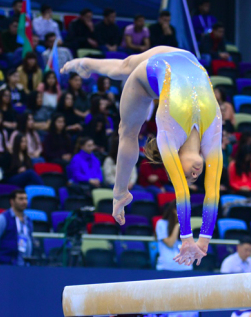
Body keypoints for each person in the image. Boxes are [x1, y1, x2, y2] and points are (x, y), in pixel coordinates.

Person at [61, 46, 223, 266]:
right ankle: (86, 64)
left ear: (173, 158)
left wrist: (193, 239)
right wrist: (201, 240)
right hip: (180, 59)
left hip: (152, 73)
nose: (193, 175)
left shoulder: (169, 133)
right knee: (125, 66)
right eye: (193, 178)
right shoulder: (213, 134)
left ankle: (118, 193)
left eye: (187, 175)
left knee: (127, 130)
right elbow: (208, 190)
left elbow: (186, 191)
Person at [0, 189, 34, 266]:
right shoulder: (2, 218)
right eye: (21, 199)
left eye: (26, 199)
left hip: (25, 265)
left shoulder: (28, 220)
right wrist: (2, 257)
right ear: (12, 201)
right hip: (7, 264)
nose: (24, 202)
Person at [156, 203, 192, 271]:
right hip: (167, 267)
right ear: (174, 210)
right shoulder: (161, 223)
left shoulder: (186, 225)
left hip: (185, 267)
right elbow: (170, 243)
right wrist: (177, 225)